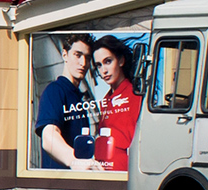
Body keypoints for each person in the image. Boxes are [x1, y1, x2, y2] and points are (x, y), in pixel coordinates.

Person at [35, 34, 101, 171]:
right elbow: (49, 137)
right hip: (58, 184)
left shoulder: (78, 98)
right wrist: (74, 161)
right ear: (65, 55)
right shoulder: (55, 91)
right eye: (77, 55)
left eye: (87, 58)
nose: (83, 63)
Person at [91, 35, 139, 172]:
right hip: (104, 172)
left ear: (121, 61)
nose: (103, 71)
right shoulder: (106, 99)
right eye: (99, 65)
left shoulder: (134, 95)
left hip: (123, 172)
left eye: (108, 61)